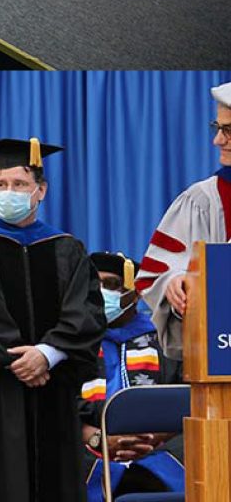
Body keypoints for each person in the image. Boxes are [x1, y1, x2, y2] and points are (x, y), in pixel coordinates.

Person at [0, 137, 106, 502]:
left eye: (20, 184)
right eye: (1, 184)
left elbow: (86, 312)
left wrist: (49, 353)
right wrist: (22, 359)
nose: (8, 192)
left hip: (53, 394)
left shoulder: (67, 248)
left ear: (40, 191)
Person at [80, 252, 184, 502]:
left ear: (137, 294)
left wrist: (151, 440)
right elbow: (57, 407)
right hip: (88, 452)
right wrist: (98, 438)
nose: (102, 292)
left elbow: (186, 402)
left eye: (113, 284)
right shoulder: (71, 344)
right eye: (95, 285)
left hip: (158, 451)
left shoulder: (166, 343)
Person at [138, 81, 231, 359]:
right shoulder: (204, 199)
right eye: (218, 128)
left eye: (229, 130)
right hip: (223, 359)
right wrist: (175, 281)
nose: (218, 140)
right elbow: (157, 271)